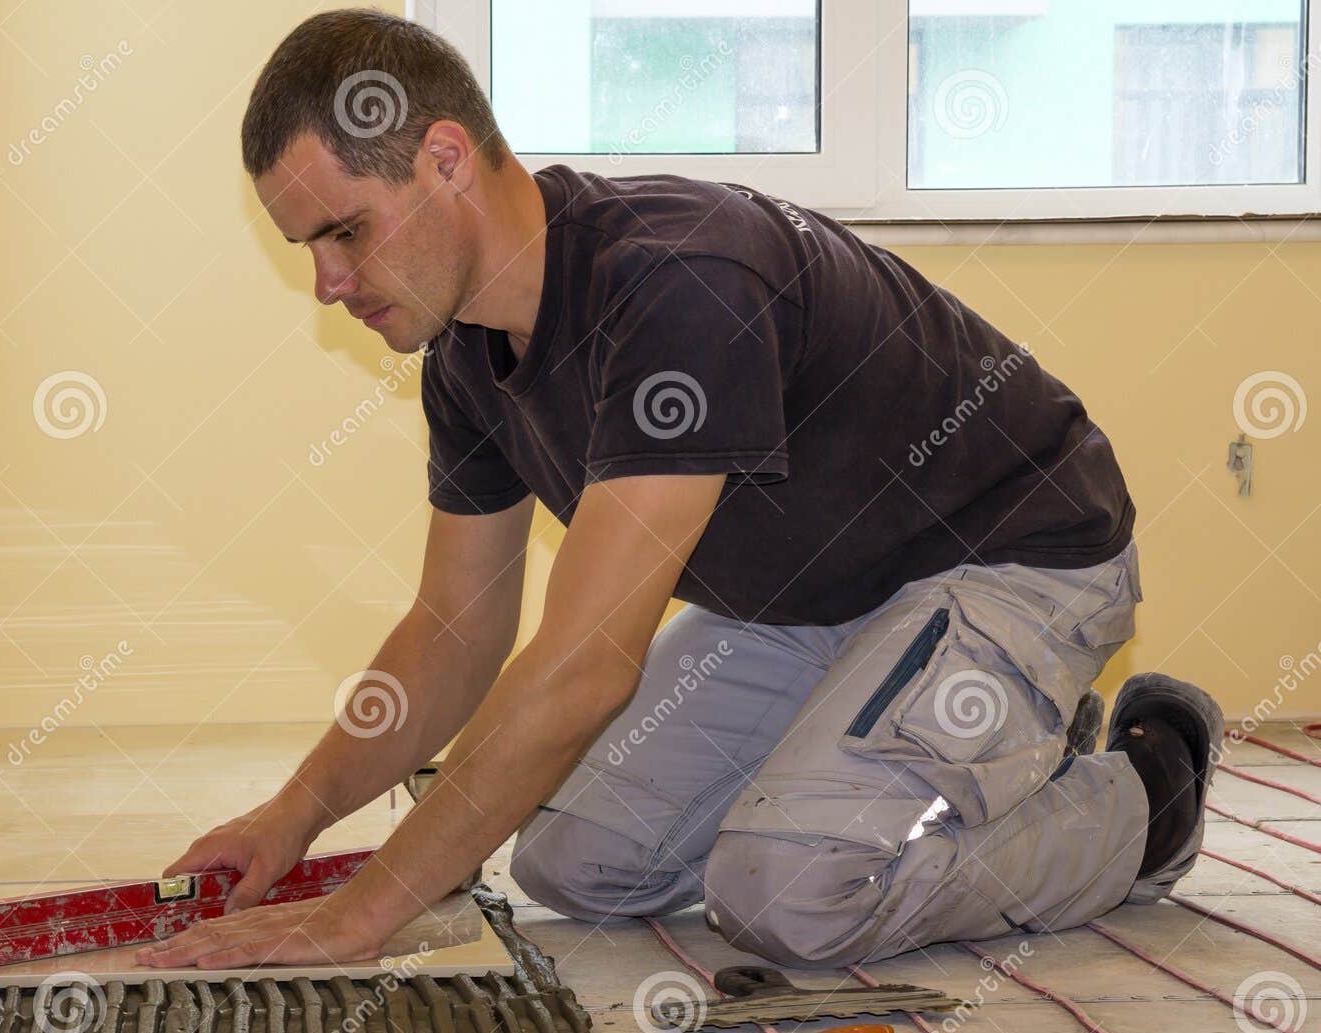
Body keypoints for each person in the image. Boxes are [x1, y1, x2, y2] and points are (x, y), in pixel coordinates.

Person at [136, 9, 1221, 973]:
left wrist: (362, 912)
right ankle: (946, 744)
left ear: (446, 159)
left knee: (789, 893)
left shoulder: (678, 286)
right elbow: (452, 629)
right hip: (816, 598)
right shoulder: (467, 356)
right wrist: (293, 817)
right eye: (305, 247)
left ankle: (1144, 794)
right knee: (572, 860)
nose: (327, 285)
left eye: (344, 231)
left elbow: (580, 670)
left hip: (1012, 557)